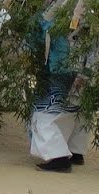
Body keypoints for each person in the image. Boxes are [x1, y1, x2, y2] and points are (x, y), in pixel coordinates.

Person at [28, 15, 89, 172]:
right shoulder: (87, 12)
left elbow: (38, 39)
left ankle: (57, 156)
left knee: (45, 112)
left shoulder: (51, 14)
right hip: (82, 66)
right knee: (73, 110)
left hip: (60, 69)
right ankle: (75, 150)